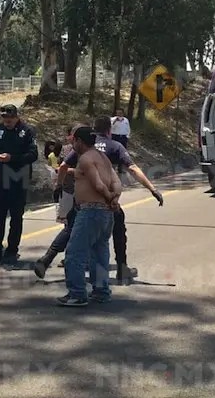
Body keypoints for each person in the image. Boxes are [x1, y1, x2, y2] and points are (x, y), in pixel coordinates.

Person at [92, 116, 164, 284]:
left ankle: (79, 270)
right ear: (110, 130)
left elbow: (65, 166)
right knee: (118, 232)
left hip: (85, 199)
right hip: (109, 200)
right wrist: (152, 189)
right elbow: (132, 168)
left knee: (84, 235)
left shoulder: (85, 145)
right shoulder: (115, 146)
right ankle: (122, 269)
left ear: (94, 128)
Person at [57, 126, 122, 307]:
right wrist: (115, 199)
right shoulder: (104, 158)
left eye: (73, 141)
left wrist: (109, 197)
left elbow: (98, 184)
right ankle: (101, 291)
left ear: (79, 141)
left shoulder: (85, 158)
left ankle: (77, 294)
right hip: (106, 214)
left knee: (74, 253)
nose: (72, 145)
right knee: (99, 253)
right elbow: (117, 182)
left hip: (90, 211)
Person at [0, 104, 38, 266]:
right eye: (4, 118)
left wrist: (12, 158)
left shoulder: (27, 131)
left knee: (16, 217)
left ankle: (12, 250)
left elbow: (33, 155)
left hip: (19, 180)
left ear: (16, 117)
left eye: (10, 118)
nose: (7, 121)